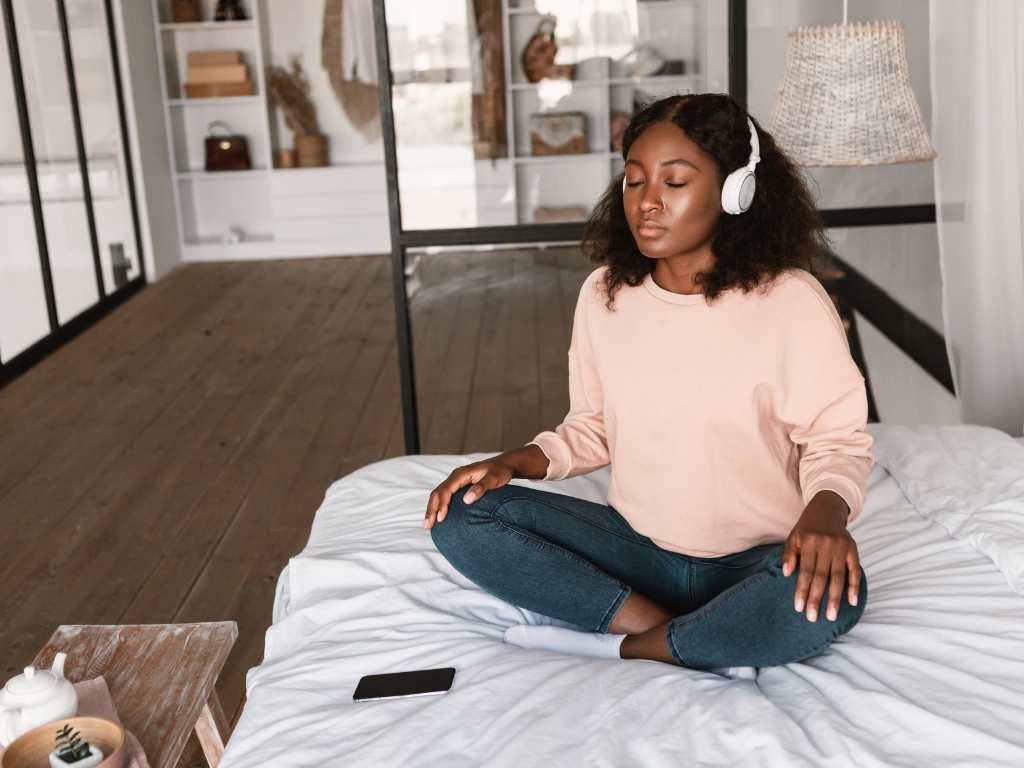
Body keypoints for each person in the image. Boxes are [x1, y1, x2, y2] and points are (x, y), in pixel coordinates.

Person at [424, 92, 873, 672]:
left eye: (676, 181)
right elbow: (593, 428)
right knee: (461, 514)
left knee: (836, 597)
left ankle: (631, 644)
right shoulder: (605, 294)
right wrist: (515, 462)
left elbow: (837, 442)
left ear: (736, 190)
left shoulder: (789, 301)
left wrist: (825, 517)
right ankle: (675, 632)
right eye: (635, 181)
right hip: (637, 552)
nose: (648, 203)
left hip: (757, 560)